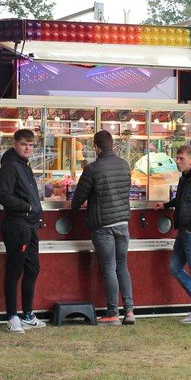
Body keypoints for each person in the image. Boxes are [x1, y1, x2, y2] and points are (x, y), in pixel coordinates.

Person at [71, 130, 134, 326]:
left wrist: (82, 203)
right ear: (112, 145)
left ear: (96, 147)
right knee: (122, 266)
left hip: (103, 225)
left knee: (109, 268)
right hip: (122, 223)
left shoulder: (92, 169)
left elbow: (77, 200)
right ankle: (129, 311)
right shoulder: (124, 165)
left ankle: (113, 313)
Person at [155, 145, 191, 324]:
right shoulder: (185, 178)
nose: (177, 161)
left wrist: (190, 227)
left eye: (181, 159)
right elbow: (181, 201)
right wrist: (166, 205)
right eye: (177, 158)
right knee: (175, 267)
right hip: (185, 231)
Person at [0, 129, 45, 333]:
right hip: (17, 225)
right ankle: (12, 317)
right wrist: (27, 207)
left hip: (30, 225)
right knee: (14, 271)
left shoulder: (24, 165)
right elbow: (4, 197)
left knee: (32, 269)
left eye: (31, 145)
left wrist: (34, 212)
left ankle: (28, 315)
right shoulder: (10, 166)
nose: (28, 148)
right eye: (24, 144)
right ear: (15, 144)